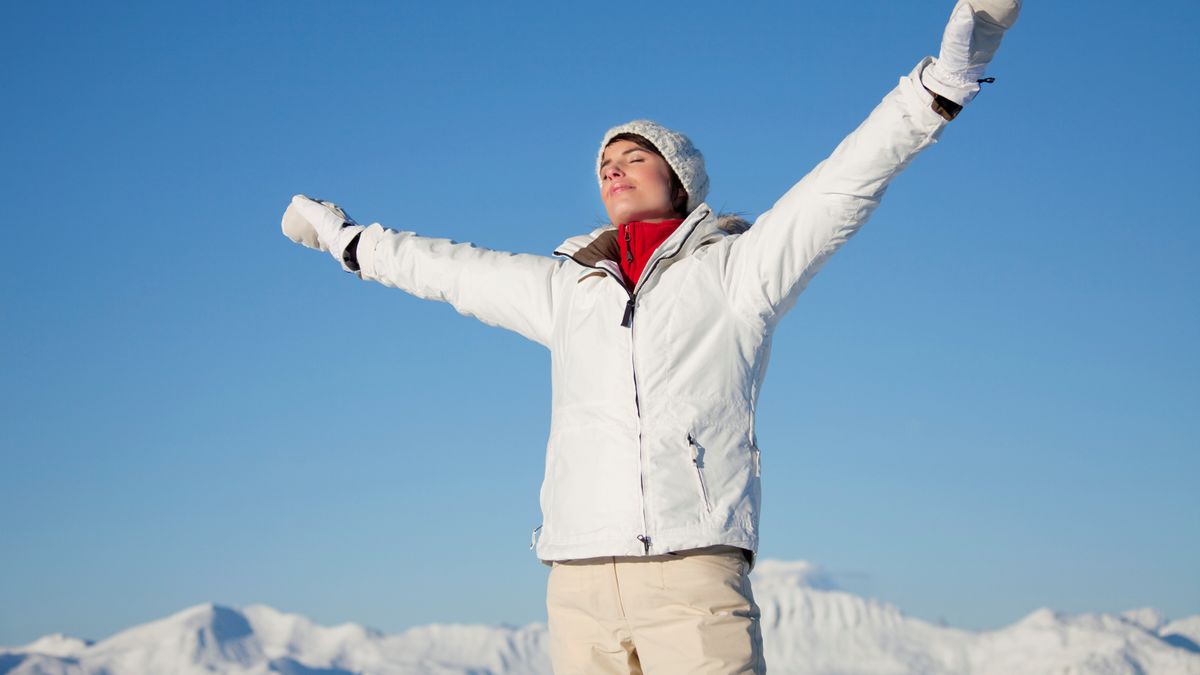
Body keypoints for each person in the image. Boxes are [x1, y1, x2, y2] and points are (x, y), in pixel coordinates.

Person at [280, 2, 1021, 672]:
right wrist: (348, 241)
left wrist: (941, 83)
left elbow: (842, 183)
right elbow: (450, 269)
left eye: (635, 157)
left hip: (691, 572)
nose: (614, 167)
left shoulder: (738, 270)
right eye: (606, 163)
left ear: (681, 181)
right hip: (577, 579)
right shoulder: (566, 288)